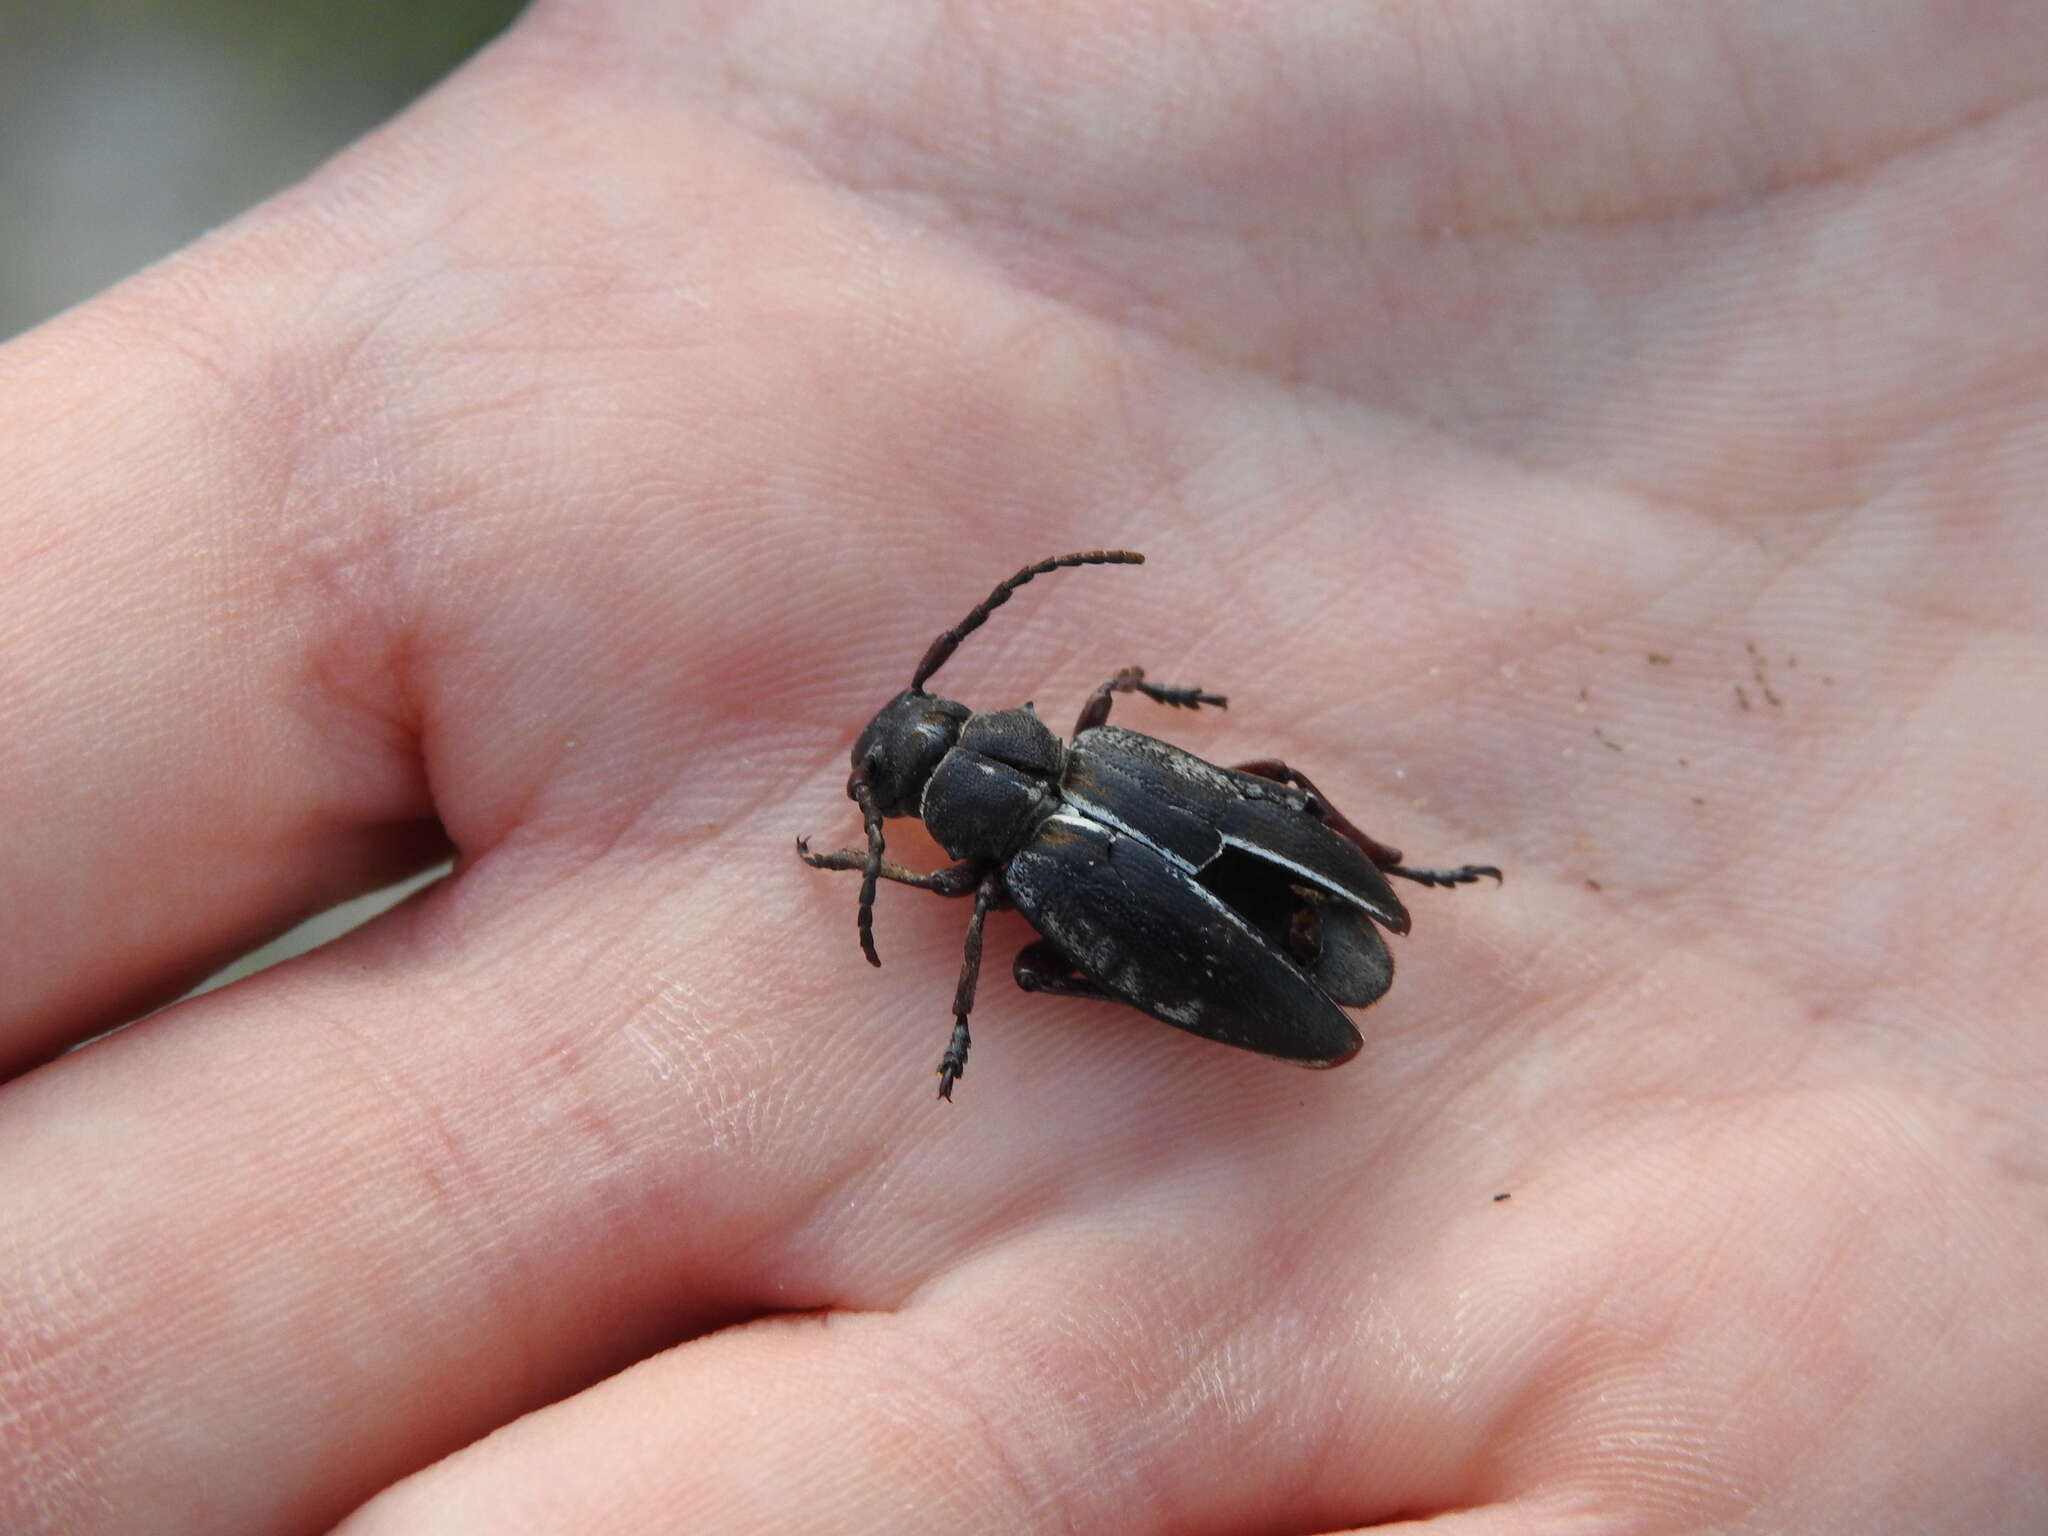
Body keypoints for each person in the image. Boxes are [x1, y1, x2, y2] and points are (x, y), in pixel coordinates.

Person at [3, 2, 2044, 1531]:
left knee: (1152, 891)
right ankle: (1404, 892)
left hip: (1217, 943)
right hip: (1223, 920)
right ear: (988, 736)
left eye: (917, 773)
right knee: (1221, 815)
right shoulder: (1086, 760)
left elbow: (1017, 919)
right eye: (931, 760)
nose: (934, 751)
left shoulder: (999, 864)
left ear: (952, 779)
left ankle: (1389, 900)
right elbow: (1128, 810)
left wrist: (957, 960)